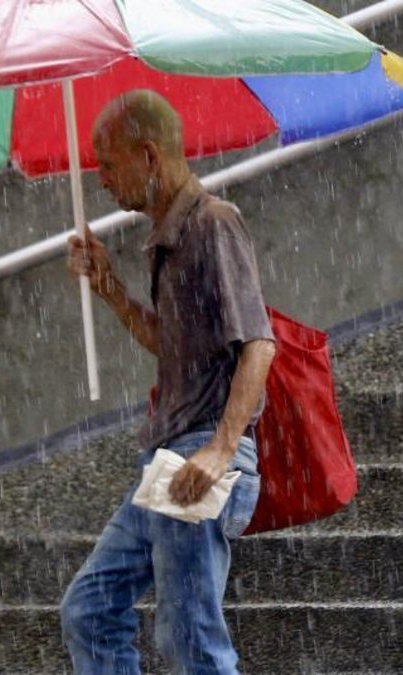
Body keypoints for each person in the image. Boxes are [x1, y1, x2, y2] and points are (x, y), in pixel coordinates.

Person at [60, 89, 277, 674]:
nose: (101, 179)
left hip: (198, 458)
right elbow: (171, 346)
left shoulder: (213, 223)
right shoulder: (168, 237)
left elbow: (258, 344)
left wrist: (221, 449)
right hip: (171, 460)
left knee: (191, 641)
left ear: (149, 156)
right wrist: (107, 286)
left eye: (108, 163)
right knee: (90, 609)